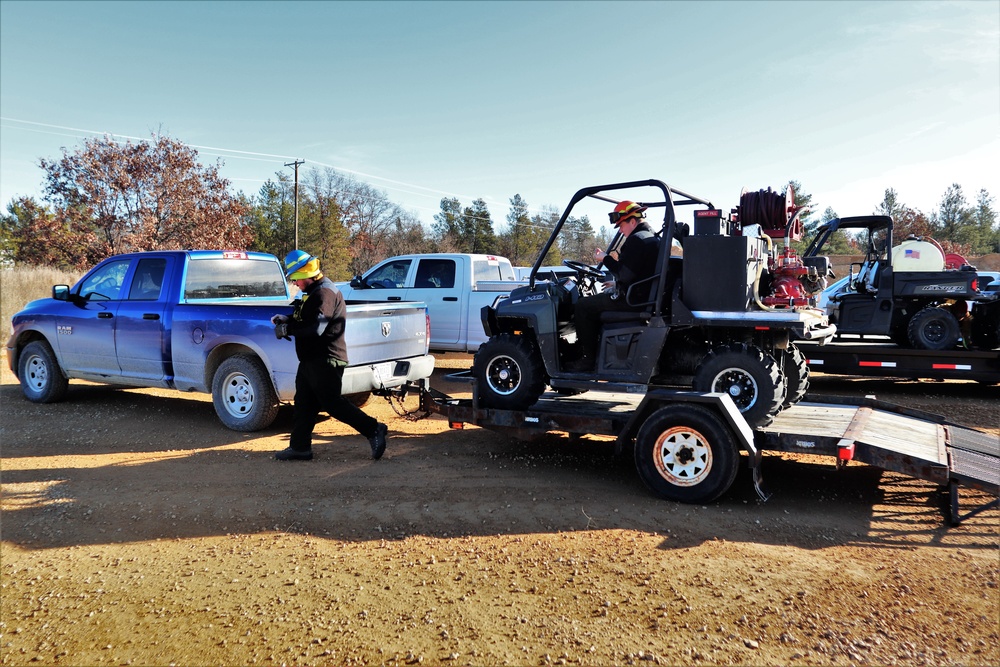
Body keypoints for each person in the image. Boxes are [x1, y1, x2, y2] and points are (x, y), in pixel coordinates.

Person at [271, 250, 388, 461]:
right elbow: (308, 317)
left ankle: (374, 429)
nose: (296, 284)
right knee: (304, 404)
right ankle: (300, 448)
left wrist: (288, 330)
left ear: (308, 274)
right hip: (310, 360)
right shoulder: (315, 291)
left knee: (333, 404)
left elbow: (316, 327)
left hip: (326, 359)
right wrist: (287, 319)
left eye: (297, 279)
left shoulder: (324, 293)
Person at [567, 201, 660, 371]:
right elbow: (638, 271)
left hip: (632, 299)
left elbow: (624, 273)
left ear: (633, 221)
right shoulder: (651, 237)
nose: (620, 230)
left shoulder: (636, 240)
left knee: (582, 306)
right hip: (641, 295)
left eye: (621, 225)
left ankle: (587, 360)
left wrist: (605, 258)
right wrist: (617, 283)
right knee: (593, 303)